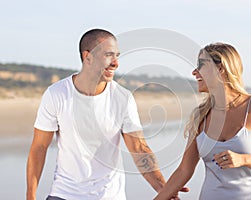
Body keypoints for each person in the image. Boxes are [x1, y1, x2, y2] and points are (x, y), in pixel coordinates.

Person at [26, 28, 186, 200]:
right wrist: (31, 196)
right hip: (64, 194)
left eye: (117, 55)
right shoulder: (57, 94)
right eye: (108, 55)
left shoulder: (122, 98)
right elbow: (39, 148)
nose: (116, 63)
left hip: (109, 196)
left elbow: (139, 149)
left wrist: (165, 189)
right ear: (88, 56)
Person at [154, 42, 251, 200]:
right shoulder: (200, 116)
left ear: (220, 68)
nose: (194, 72)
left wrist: (243, 159)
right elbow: (184, 170)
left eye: (201, 66)